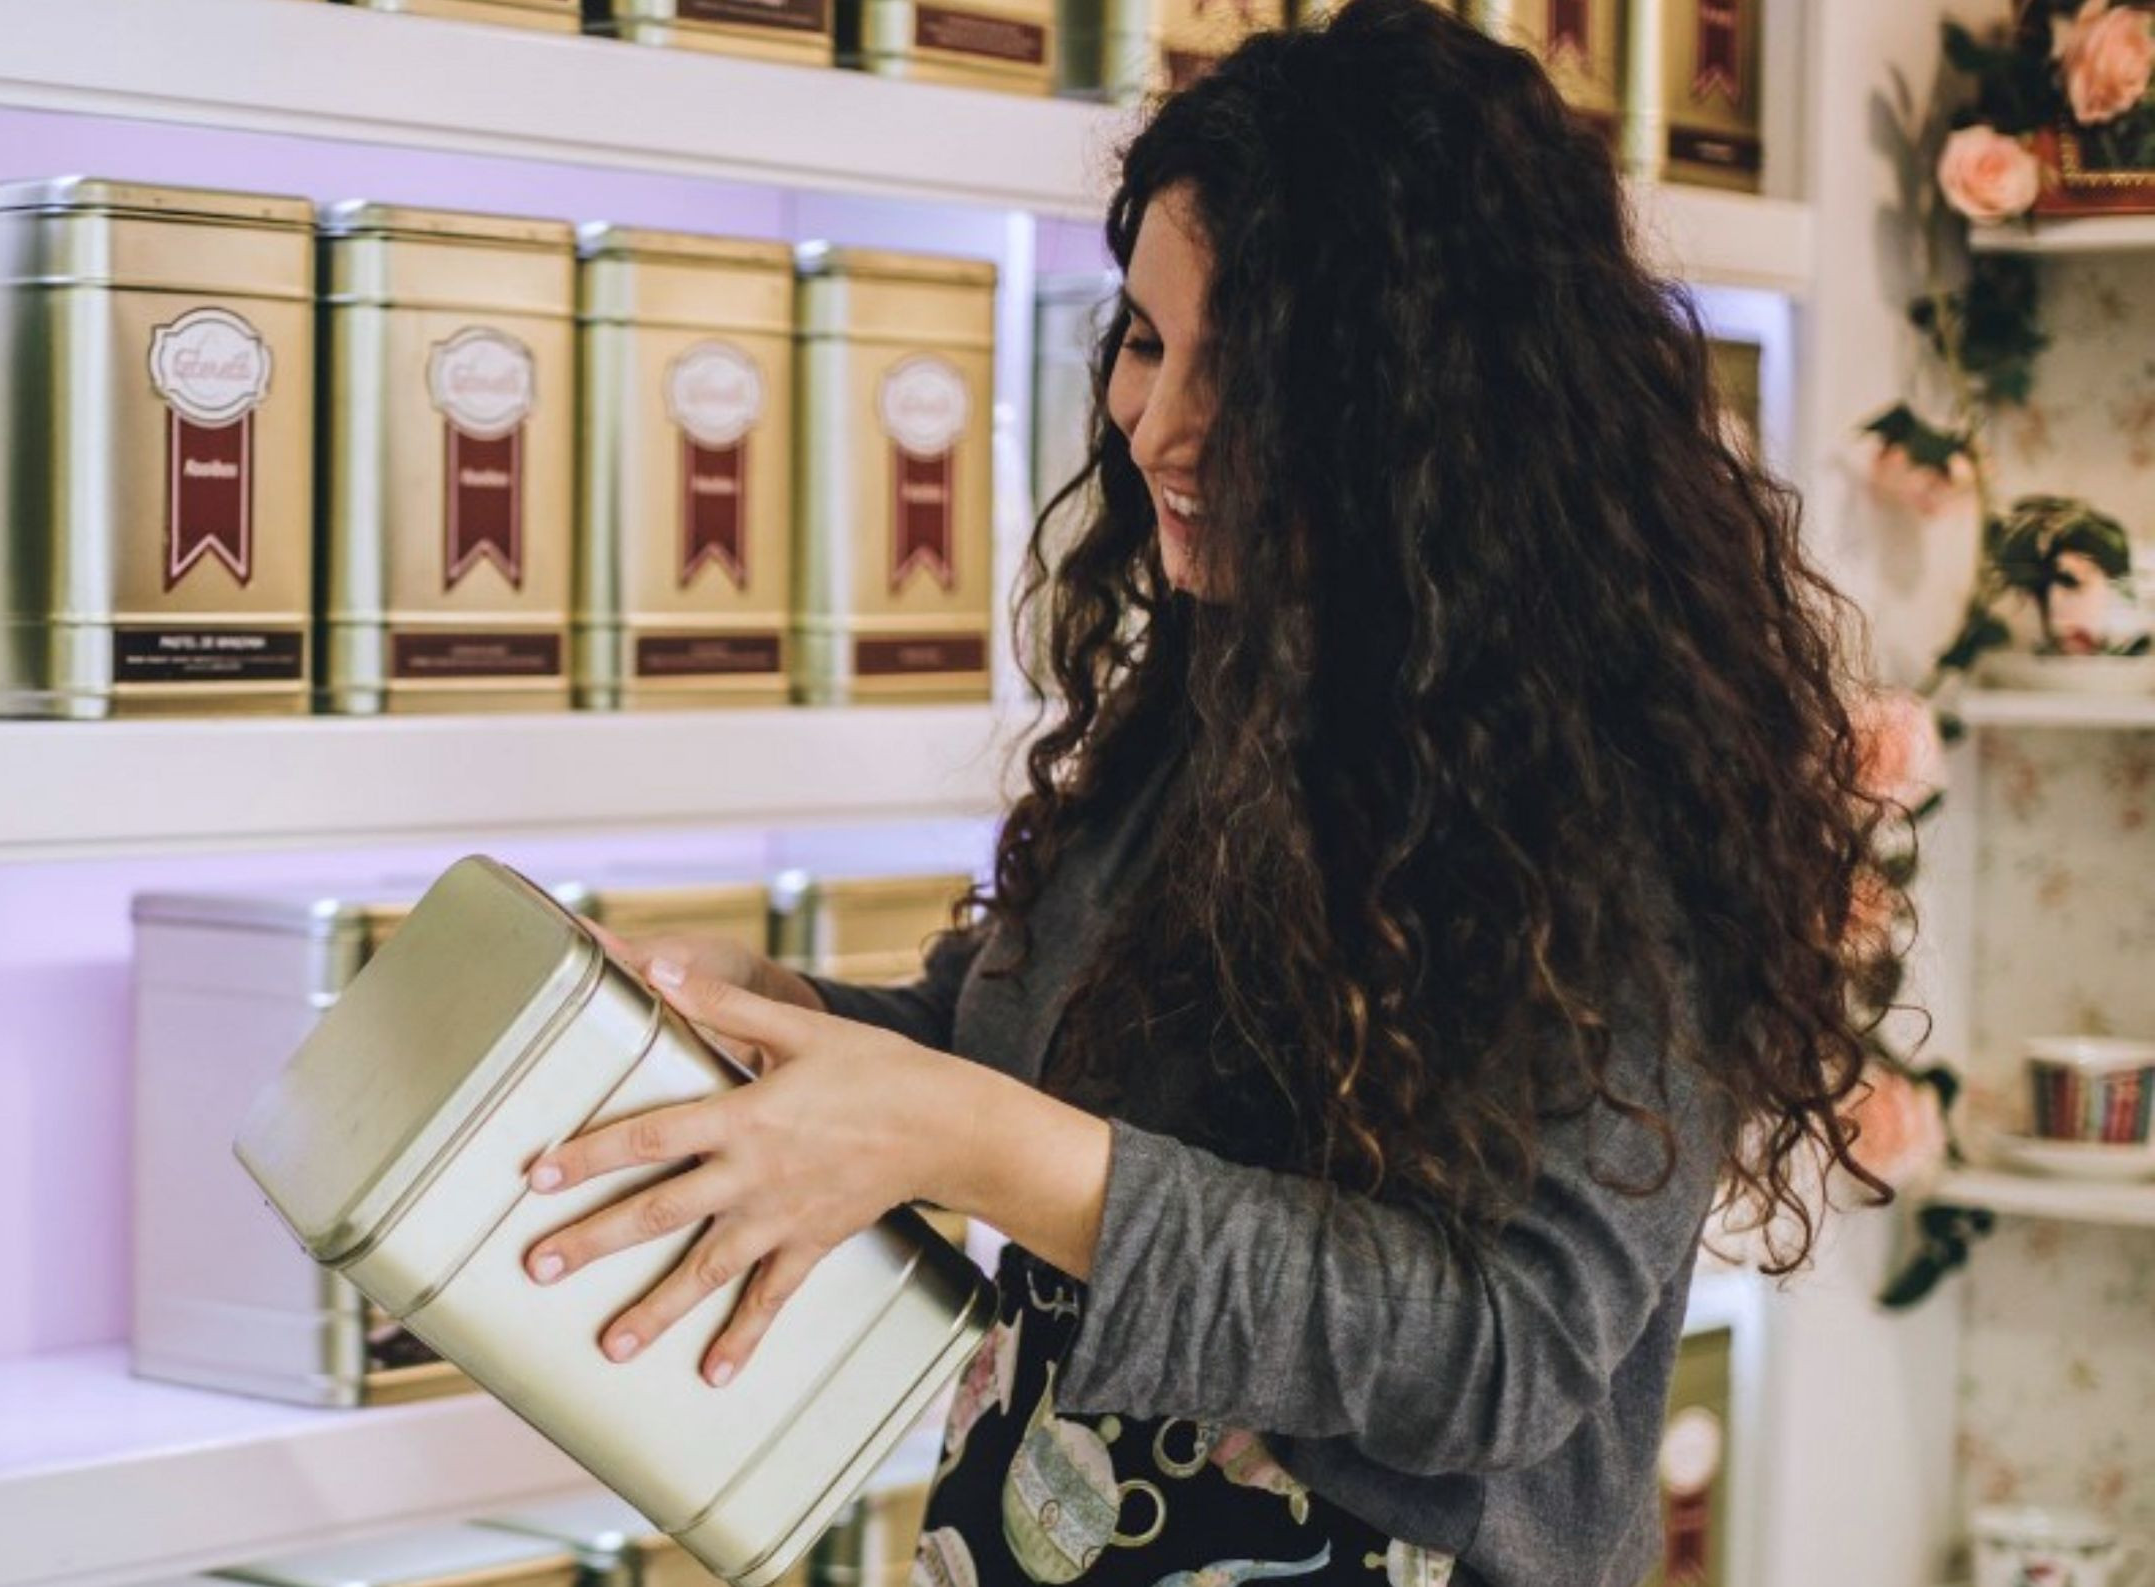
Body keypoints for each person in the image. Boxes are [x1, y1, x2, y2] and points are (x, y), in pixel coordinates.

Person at [519, 3, 1891, 1582]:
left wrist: (967, 1137)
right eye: (1147, 342)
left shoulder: (1614, 780)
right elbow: (1040, 1059)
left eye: (1244, 372)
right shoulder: (1236, 670)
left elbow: (1500, 1354)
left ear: (1425, 401)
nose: (1158, 427)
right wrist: (786, 1025)